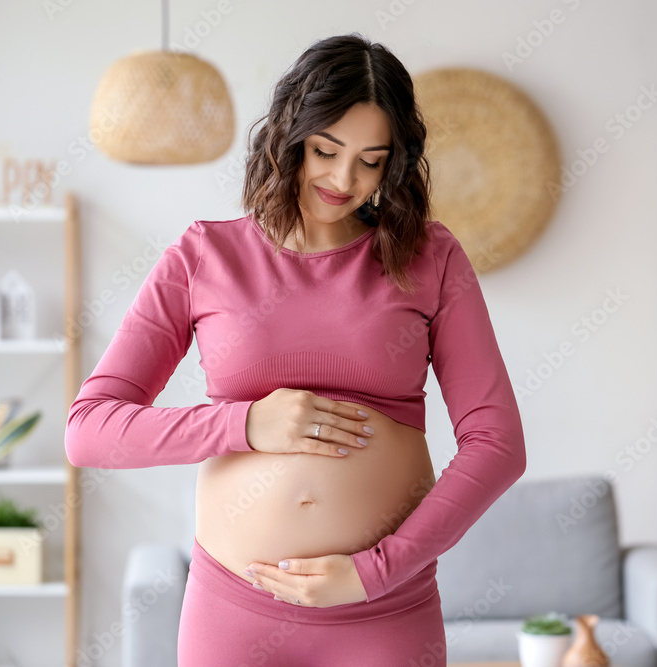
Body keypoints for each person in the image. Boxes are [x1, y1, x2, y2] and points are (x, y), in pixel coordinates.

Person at [64, 32, 527, 666]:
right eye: (326, 150)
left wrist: (379, 570)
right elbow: (89, 431)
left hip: (383, 612)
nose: (344, 179)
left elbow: (498, 444)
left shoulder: (431, 257)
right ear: (289, 135)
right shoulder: (205, 256)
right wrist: (246, 423)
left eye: (371, 160)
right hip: (234, 612)